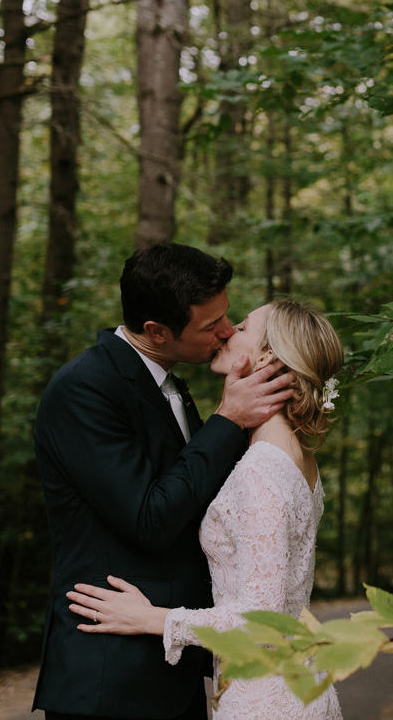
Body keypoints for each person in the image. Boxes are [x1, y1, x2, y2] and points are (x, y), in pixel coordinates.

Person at [33, 244, 294, 720]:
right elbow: (149, 518)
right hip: (112, 674)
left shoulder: (173, 384)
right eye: (209, 325)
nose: (226, 331)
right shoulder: (84, 389)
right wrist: (228, 419)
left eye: (228, 315)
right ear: (156, 331)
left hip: (172, 662)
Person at [64, 299, 346, 720]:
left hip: (263, 698)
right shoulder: (297, 457)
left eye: (245, 326)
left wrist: (153, 619)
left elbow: (262, 622)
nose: (230, 331)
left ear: (266, 356)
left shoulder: (261, 469)